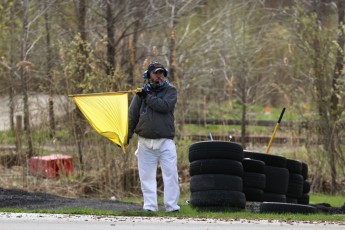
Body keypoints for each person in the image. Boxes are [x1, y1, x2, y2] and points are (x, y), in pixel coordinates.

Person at [128, 61, 180, 212]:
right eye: (156, 73)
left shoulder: (171, 90)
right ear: (148, 75)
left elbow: (164, 107)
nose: (159, 76)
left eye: (161, 73)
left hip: (165, 142)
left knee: (171, 175)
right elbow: (132, 116)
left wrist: (147, 97)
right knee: (146, 177)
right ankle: (150, 207)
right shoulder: (141, 93)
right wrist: (127, 136)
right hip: (144, 142)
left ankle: (172, 207)